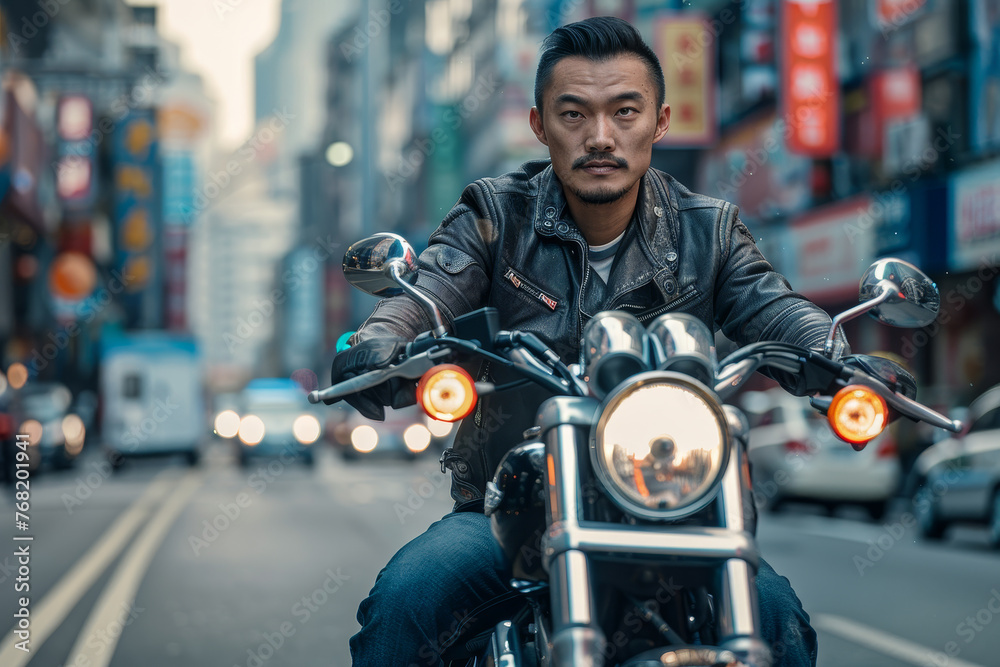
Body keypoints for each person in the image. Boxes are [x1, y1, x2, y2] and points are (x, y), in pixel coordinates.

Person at [336, 16, 822, 667]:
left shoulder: (711, 231)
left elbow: (777, 308)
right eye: (574, 114)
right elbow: (429, 290)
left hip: (678, 509)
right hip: (512, 516)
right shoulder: (492, 215)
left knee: (780, 622)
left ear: (660, 121)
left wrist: (838, 354)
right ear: (540, 125)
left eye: (625, 112)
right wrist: (383, 338)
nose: (600, 136)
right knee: (405, 603)